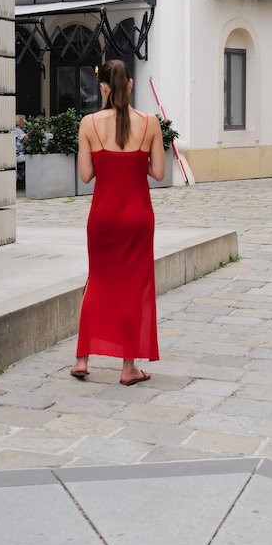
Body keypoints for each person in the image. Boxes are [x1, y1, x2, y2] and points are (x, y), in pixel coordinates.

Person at [71, 60, 165, 386]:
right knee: (134, 287)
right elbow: (159, 172)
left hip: (103, 217)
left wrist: (103, 157)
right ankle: (128, 368)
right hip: (138, 217)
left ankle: (82, 358)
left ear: (104, 88)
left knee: (97, 280)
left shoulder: (88, 124)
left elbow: (85, 176)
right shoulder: (150, 122)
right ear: (131, 86)